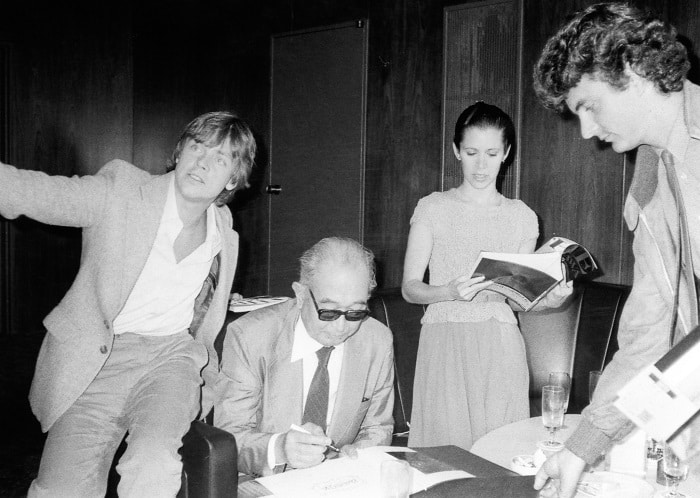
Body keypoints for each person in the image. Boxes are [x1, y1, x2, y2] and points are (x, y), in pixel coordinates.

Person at [0, 111, 256, 497]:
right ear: (180, 150)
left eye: (219, 158)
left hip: (170, 359)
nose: (202, 162)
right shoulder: (121, 191)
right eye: (197, 146)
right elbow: (37, 193)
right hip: (98, 359)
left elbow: (204, 298)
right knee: (60, 490)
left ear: (233, 179)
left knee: (153, 465)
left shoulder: (225, 231)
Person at [532, 3, 700, 496]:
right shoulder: (650, 185)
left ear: (630, 70)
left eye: (588, 105)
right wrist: (582, 445)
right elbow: (650, 332)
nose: (586, 132)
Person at [401, 101, 572, 450]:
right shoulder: (432, 208)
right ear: (456, 151)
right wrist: (448, 291)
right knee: (444, 453)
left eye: (492, 153)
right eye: (472, 152)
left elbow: (518, 299)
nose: (481, 165)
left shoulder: (522, 216)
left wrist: (550, 298)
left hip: (501, 343)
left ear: (506, 153)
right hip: (446, 339)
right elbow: (409, 289)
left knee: (499, 450)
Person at [214, 236, 394, 477]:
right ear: (300, 295)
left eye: (355, 312)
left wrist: (360, 452)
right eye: (328, 311)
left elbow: (378, 428)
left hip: (340, 483)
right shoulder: (250, 337)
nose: (341, 327)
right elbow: (229, 439)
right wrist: (279, 448)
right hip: (263, 479)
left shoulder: (377, 340)